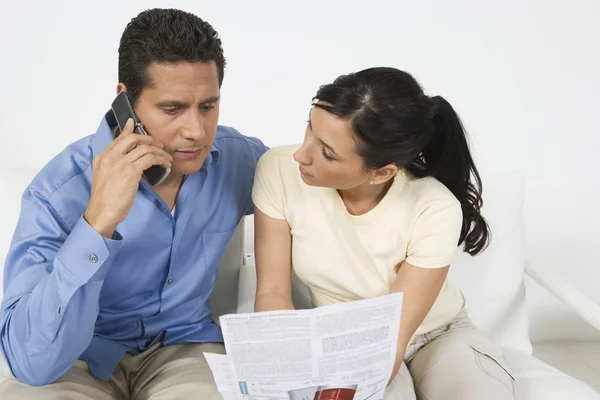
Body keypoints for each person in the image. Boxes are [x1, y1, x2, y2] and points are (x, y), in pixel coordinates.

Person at [0, 8, 267, 399]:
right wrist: (97, 223)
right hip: (77, 357)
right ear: (125, 101)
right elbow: (31, 362)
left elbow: (312, 183)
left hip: (185, 348)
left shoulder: (237, 159)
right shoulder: (57, 193)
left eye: (207, 106)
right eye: (173, 109)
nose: (196, 131)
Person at [252, 67, 516, 400]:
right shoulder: (278, 170)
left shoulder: (433, 206)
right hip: (342, 339)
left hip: (435, 334)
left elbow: (392, 339)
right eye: (310, 128)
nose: (300, 154)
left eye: (326, 152)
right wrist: (283, 375)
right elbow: (273, 292)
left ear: (381, 172)